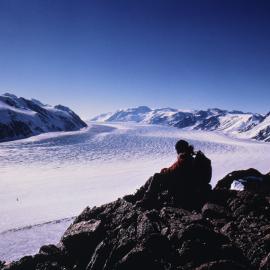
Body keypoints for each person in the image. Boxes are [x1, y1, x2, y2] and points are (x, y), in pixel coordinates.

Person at [135, 140, 196, 207]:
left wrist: (165, 171)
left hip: (179, 184)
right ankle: (140, 195)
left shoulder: (184, 158)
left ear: (179, 148)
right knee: (152, 178)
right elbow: (175, 169)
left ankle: (148, 199)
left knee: (156, 176)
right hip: (181, 182)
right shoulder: (189, 157)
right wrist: (167, 170)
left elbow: (175, 170)